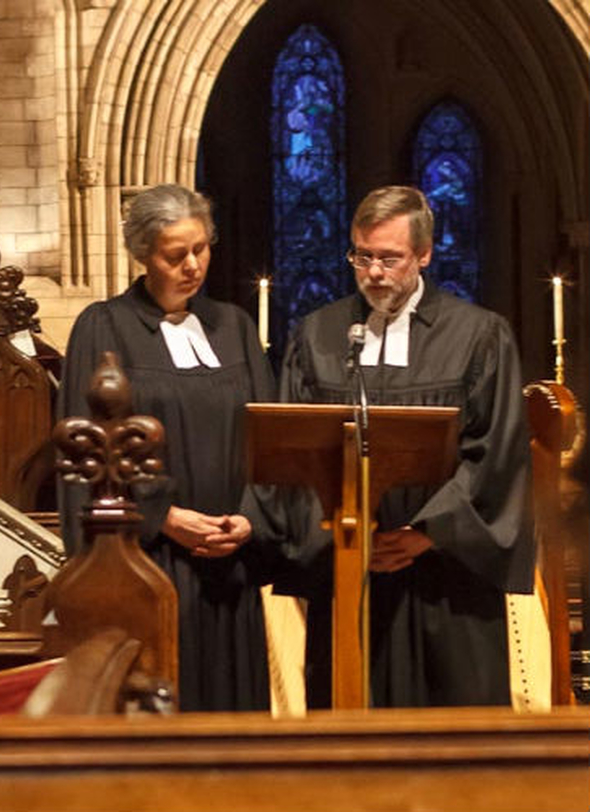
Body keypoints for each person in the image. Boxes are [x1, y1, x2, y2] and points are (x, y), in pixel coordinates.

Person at [278, 185, 534, 708]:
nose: (374, 272)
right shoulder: (318, 334)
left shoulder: (479, 335)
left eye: (390, 258)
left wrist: (426, 534)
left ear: (423, 254)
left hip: (448, 577)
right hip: (349, 570)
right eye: (362, 256)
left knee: (452, 736)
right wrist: (346, 537)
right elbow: (293, 453)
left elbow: (496, 453)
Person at [58, 183, 276, 712]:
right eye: (175, 255)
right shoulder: (103, 326)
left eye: (201, 248)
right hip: (149, 559)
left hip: (231, 559)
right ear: (141, 255)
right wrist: (166, 516)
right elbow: (81, 455)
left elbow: (271, 438)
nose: (193, 265)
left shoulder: (234, 327)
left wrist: (251, 518)